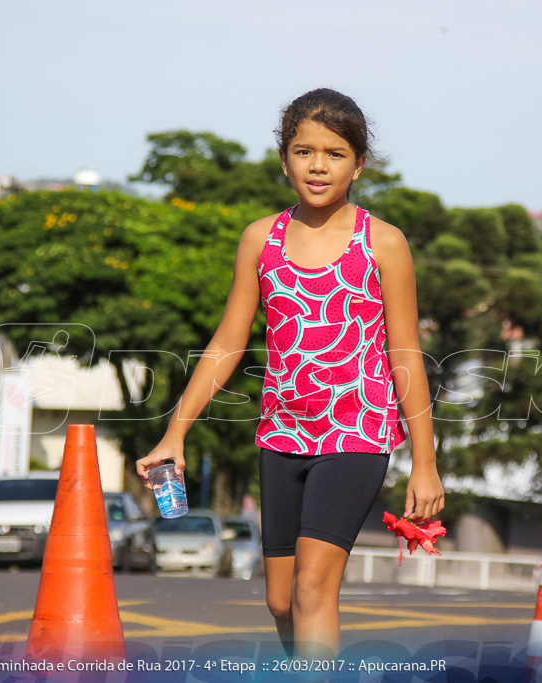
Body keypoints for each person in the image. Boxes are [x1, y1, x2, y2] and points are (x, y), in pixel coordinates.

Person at [136, 88, 445, 658]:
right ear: (284, 159)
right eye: (304, 151)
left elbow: (406, 357)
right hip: (281, 434)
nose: (319, 165)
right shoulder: (262, 238)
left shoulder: (383, 244)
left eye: (335, 153)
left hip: (356, 435)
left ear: (359, 164)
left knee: (311, 589)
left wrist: (424, 464)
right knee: (281, 600)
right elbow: (228, 342)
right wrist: (175, 431)